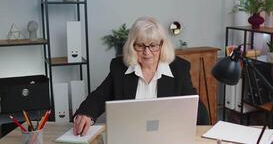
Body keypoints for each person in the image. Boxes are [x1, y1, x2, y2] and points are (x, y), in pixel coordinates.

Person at [73, 17, 209, 136]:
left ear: (162, 45)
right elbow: (99, 96)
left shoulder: (179, 69)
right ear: (132, 46)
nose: (147, 52)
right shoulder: (119, 68)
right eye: (140, 45)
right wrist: (86, 114)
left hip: (167, 137)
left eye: (153, 45)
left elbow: (195, 108)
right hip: (128, 136)